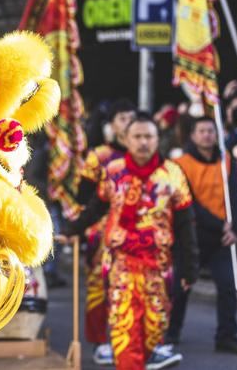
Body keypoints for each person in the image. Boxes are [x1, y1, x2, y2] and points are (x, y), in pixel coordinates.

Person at [66, 113, 198, 370]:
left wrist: (191, 267)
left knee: (154, 328)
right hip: (121, 265)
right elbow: (96, 208)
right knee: (124, 331)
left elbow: (185, 224)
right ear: (126, 140)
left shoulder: (173, 174)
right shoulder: (114, 172)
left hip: (158, 266)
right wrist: (73, 229)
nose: (143, 142)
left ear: (158, 139)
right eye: (137, 137)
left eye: (149, 136)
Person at [166, 116, 237, 354]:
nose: (207, 135)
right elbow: (187, 203)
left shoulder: (227, 162)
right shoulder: (180, 164)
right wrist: (221, 224)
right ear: (193, 135)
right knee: (182, 286)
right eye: (202, 131)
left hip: (224, 238)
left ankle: (227, 336)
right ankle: (171, 332)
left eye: (211, 131)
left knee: (228, 286)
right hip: (191, 236)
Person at [74, 98, 135, 366]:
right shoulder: (98, 156)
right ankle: (101, 341)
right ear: (110, 125)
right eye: (122, 118)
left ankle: (134, 339)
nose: (128, 123)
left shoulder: (143, 154)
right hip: (102, 234)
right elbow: (84, 196)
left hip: (137, 234)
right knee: (101, 288)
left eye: (131, 117)